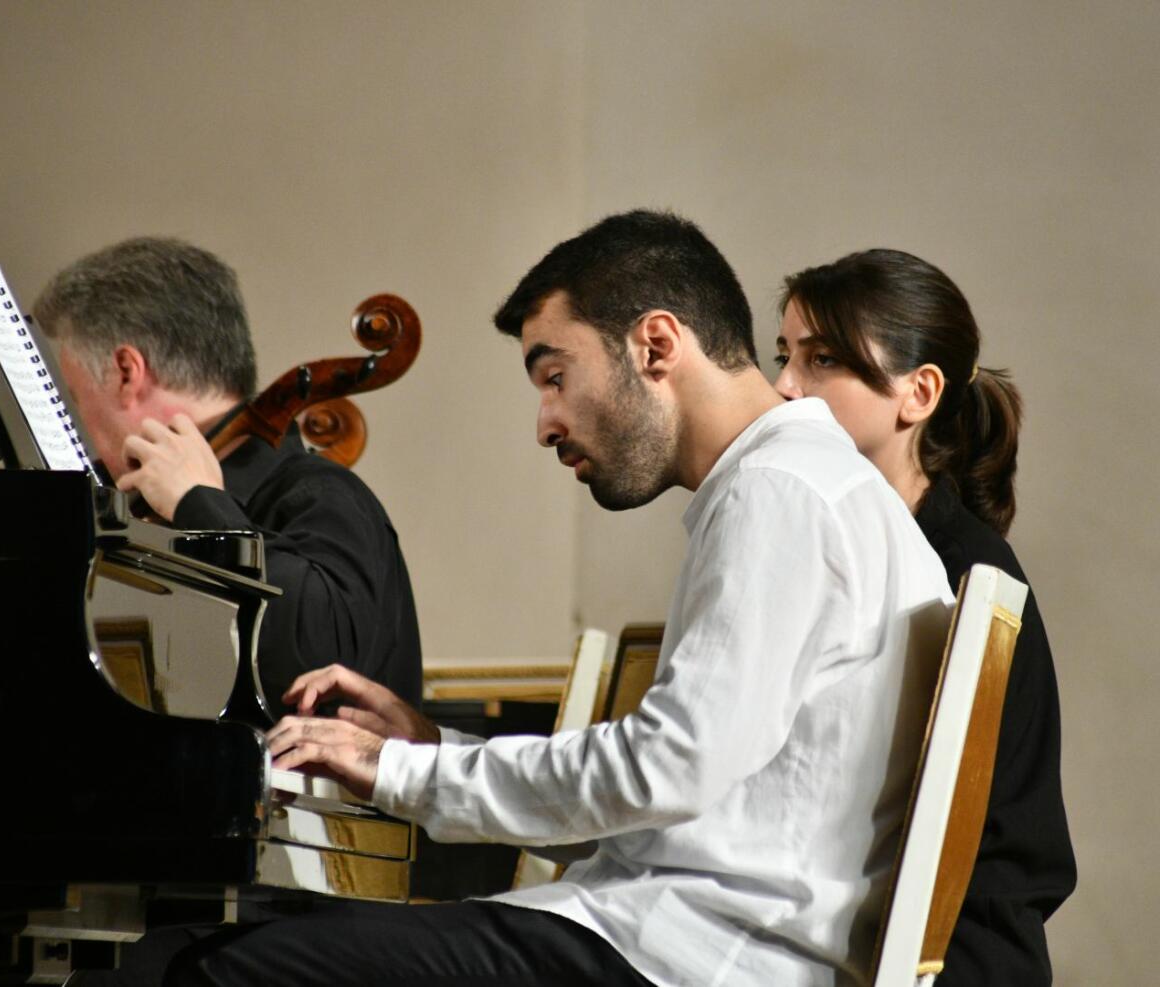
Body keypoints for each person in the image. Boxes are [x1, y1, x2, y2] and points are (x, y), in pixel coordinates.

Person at [163, 210, 955, 987]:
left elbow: (664, 771)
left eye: (555, 376)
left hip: (683, 956)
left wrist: (396, 768)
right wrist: (437, 748)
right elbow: (675, 797)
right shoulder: (812, 484)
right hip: (681, 938)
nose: (545, 424)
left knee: (225, 968)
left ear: (655, 345)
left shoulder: (779, 490)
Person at [774, 248, 1076, 986]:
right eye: (784, 356)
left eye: (821, 360)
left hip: (949, 959)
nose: (783, 386)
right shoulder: (843, 546)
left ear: (919, 392)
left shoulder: (966, 570)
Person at [33, 236, 422, 712]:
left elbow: (322, 666)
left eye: (77, 398)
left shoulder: (325, 496)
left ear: (125, 371)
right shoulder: (143, 515)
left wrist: (200, 504)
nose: (87, 437)